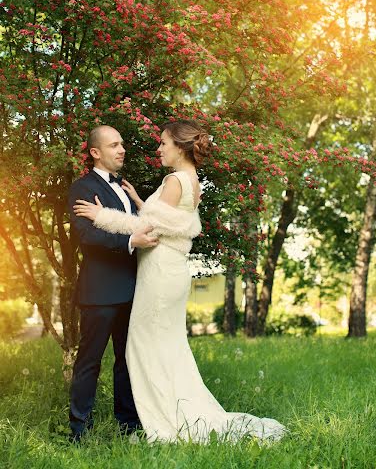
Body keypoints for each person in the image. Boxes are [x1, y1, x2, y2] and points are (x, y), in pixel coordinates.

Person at [73, 119, 286, 443]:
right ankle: (91, 429)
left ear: (179, 146)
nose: (156, 148)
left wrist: (103, 216)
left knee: (142, 352)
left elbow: (150, 229)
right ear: (95, 152)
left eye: (162, 143)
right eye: (115, 145)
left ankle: (150, 420)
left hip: (154, 277)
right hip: (136, 281)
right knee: (148, 351)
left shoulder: (175, 180)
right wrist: (137, 204)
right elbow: (160, 223)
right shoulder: (185, 181)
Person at [68, 125, 159, 442]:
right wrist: (130, 241)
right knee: (89, 362)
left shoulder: (124, 187)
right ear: (95, 152)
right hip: (100, 291)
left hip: (133, 289)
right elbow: (87, 236)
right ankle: (79, 432)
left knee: (127, 361)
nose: (121, 150)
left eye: (122, 144)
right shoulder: (81, 188)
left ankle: (129, 427)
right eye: (114, 145)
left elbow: (140, 224)